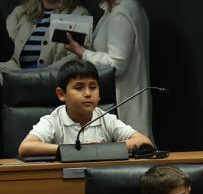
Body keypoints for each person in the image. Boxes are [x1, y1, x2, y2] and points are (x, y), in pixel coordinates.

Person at [64, 0, 151, 136]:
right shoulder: (118, 9)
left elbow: (117, 64)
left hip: (123, 105)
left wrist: (82, 52)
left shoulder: (121, 12)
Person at [16, 59, 151, 158]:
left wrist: (102, 149)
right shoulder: (52, 121)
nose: (88, 93)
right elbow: (26, 147)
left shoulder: (106, 119)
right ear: (61, 94)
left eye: (93, 87)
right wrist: (74, 150)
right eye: (79, 88)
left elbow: (144, 142)